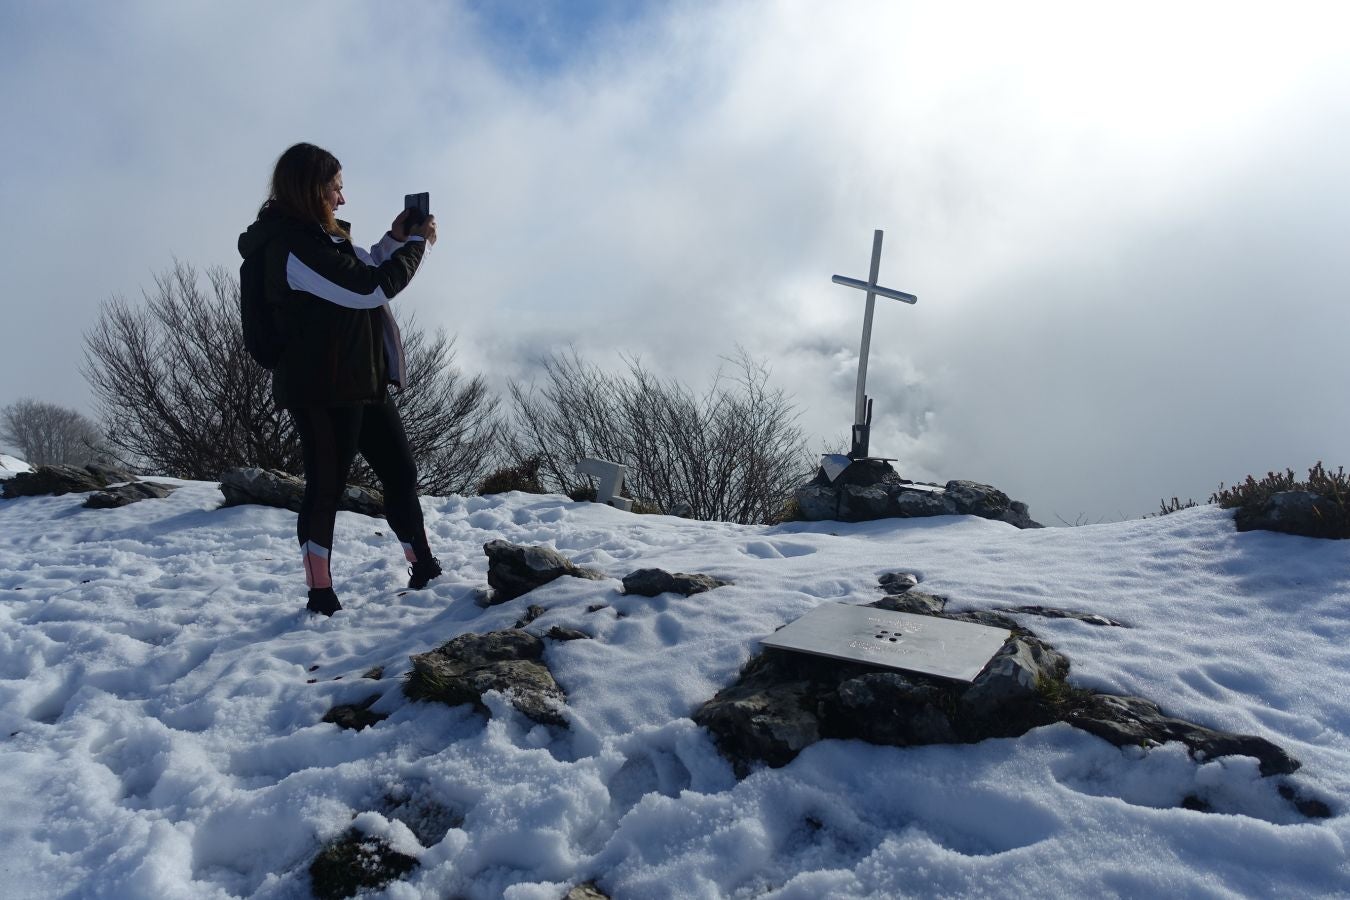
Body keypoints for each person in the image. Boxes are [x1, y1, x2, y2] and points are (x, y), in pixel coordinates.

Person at [238, 142, 442, 616]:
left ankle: (424, 564)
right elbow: (369, 289)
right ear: (311, 189)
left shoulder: (318, 237)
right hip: (322, 390)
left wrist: (393, 241)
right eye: (335, 189)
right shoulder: (292, 246)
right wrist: (415, 247)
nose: (341, 200)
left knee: (400, 473)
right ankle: (320, 592)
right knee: (325, 485)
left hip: (362, 381)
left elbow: (361, 268)